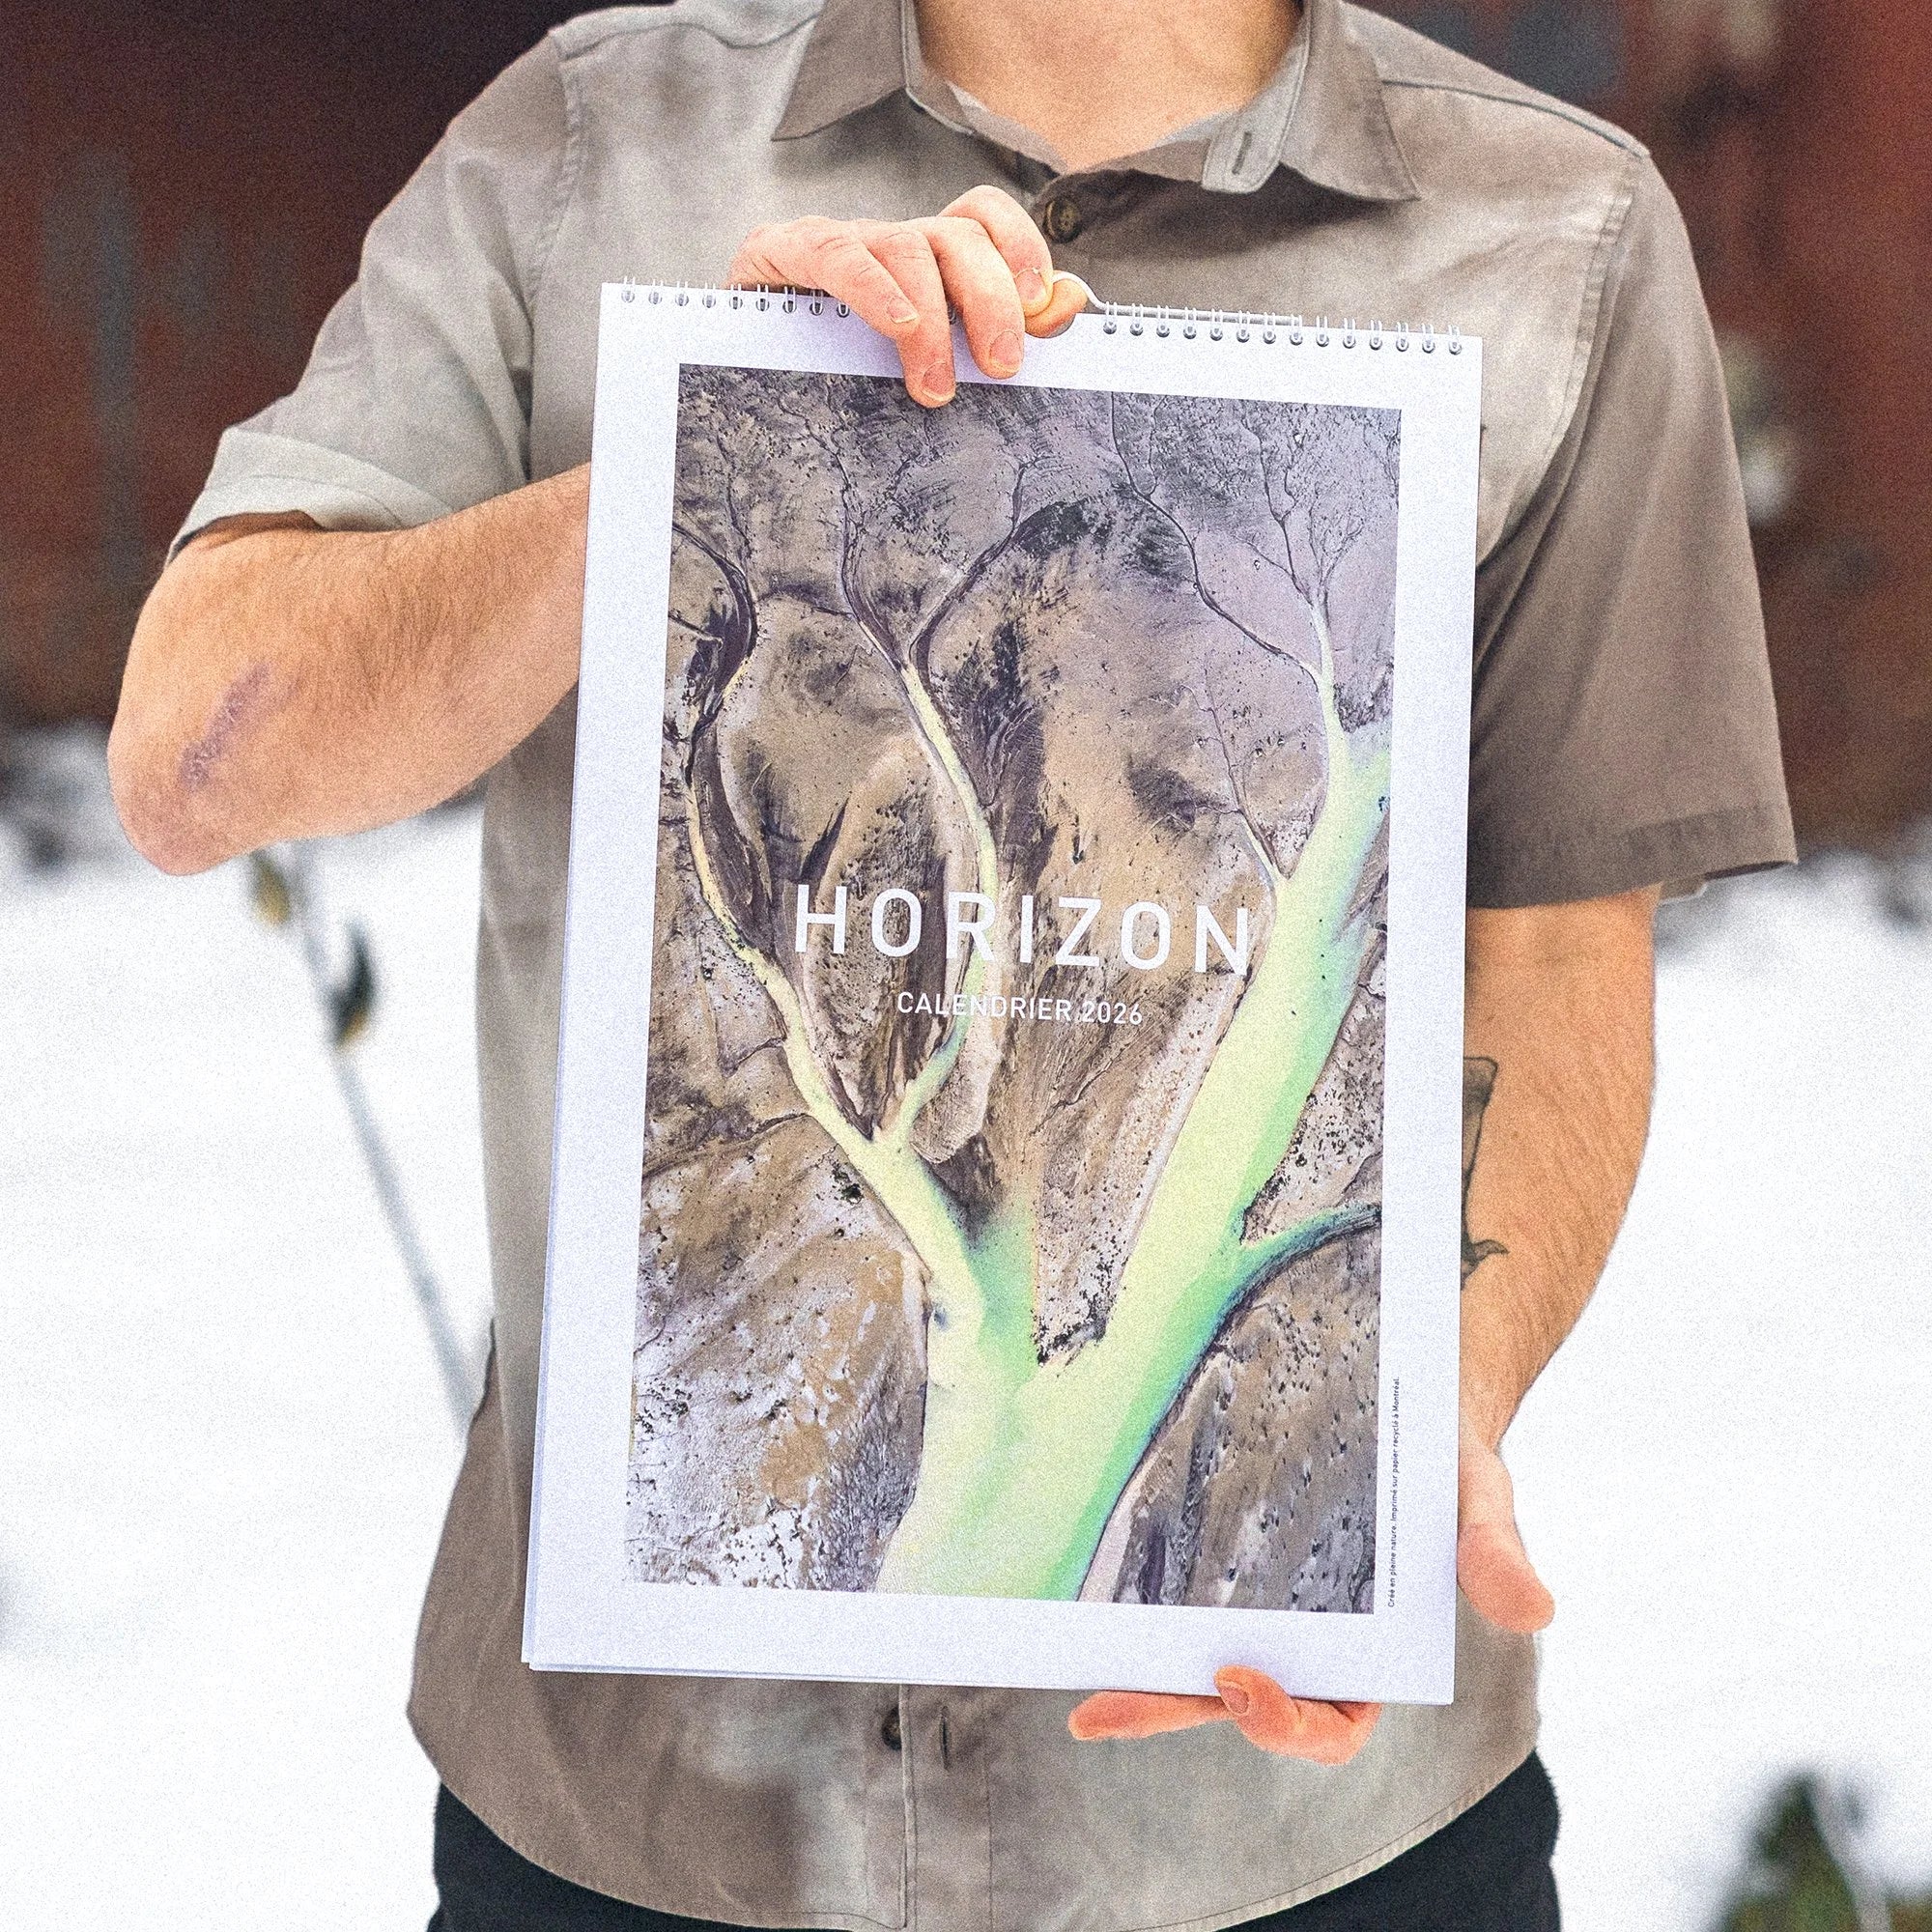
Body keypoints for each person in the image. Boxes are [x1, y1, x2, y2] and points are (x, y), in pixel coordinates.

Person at [107, 0, 1795, 1925]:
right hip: (642, 1833)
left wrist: (1419, 1419)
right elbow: (192, 761)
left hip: (1294, 1833)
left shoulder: (1557, 233)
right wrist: (697, 447)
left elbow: (1557, 951)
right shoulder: (590, 146)